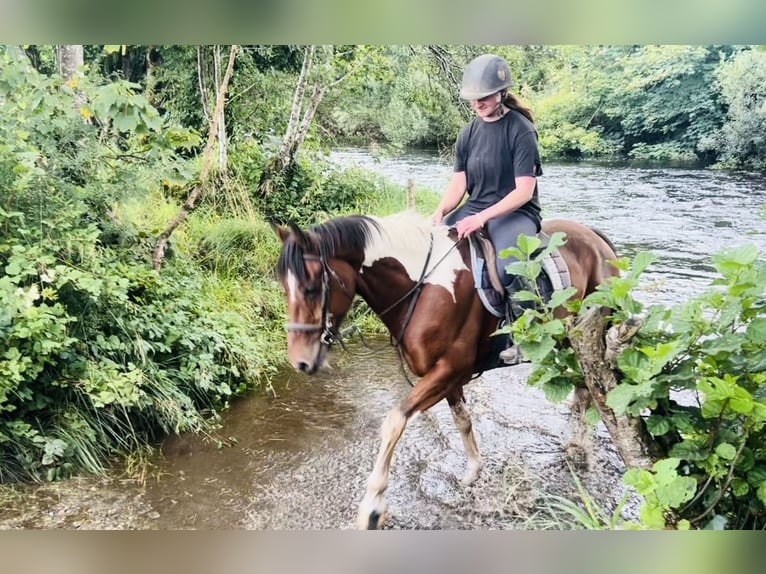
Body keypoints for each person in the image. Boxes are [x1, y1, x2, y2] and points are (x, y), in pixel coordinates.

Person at [431, 53, 543, 361]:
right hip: (475, 206)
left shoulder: (520, 129)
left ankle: (524, 334)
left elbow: (524, 191)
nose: (478, 103)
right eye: (473, 98)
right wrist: (441, 211)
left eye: (485, 97)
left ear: (502, 92)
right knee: (434, 247)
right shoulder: (468, 133)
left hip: (515, 212)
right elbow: (459, 184)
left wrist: (481, 218)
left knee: (509, 266)